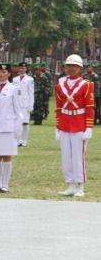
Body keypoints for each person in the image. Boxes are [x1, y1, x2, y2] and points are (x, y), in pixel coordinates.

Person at [55, 54, 94, 198]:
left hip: (79, 123)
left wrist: (89, 127)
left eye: (74, 66)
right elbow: (59, 107)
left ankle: (80, 186)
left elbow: (90, 107)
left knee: (78, 156)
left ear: (79, 68)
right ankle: (70, 184)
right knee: (66, 156)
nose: (71, 68)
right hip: (65, 122)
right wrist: (58, 127)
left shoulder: (87, 85)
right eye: (68, 66)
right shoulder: (60, 85)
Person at [0, 63, 23, 193]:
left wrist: (18, 128)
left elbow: (18, 110)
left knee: (7, 155)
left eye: (4, 72)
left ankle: (5, 184)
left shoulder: (14, 89)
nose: (1, 74)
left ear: (9, 74)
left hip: (8, 126)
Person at [13, 62, 35, 147]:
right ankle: (18, 140)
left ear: (26, 69)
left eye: (23, 68)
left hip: (25, 104)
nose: (21, 69)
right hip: (17, 103)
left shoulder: (30, 79)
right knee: (18, 122)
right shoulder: (15, 79)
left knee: (25, 123)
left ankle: (24, 141)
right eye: (20, 68)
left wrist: (31, 105)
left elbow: (31, 93)